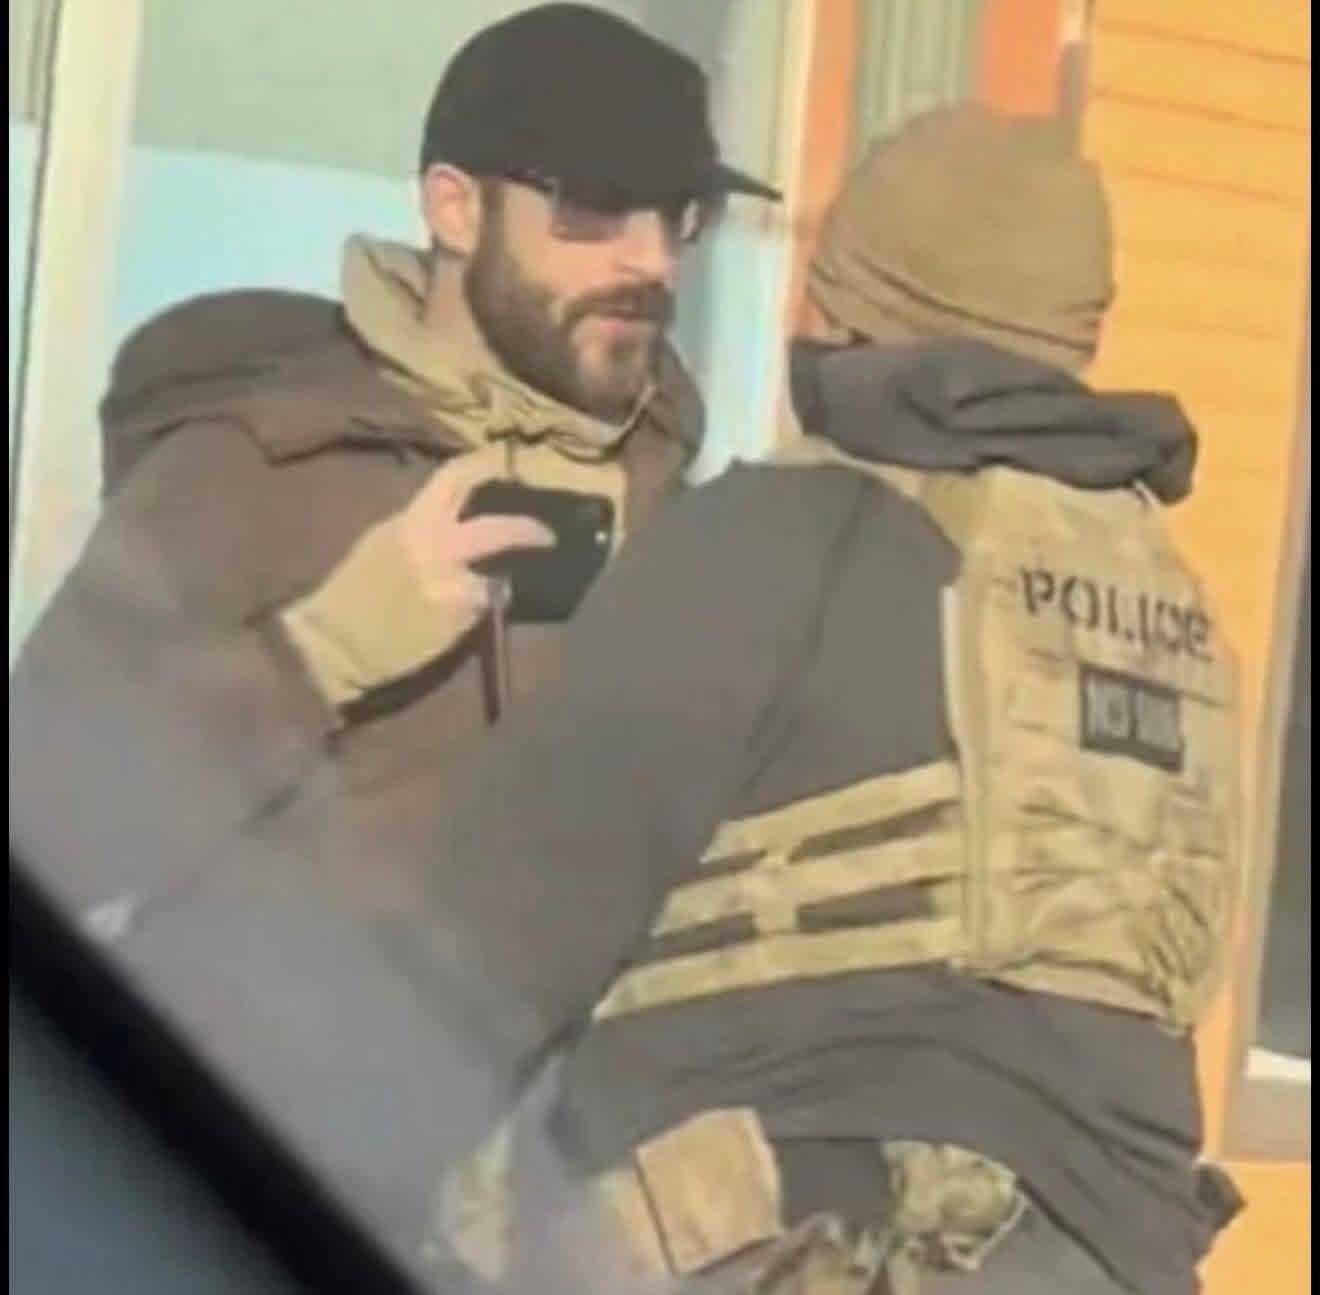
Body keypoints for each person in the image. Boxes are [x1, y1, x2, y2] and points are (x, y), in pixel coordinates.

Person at [8, 3, 776, 1281]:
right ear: (455, 208)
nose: (650, 260)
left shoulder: (683, 517)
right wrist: (322, 649)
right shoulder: (254, 468)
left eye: (678, 215)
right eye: (594, 211)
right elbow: (47, 820)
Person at [421, 105, 1246, 1294]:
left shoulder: (780, 537)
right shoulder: (1177, 612)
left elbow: (488, 935)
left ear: (855, 304)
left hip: (790, 1234)